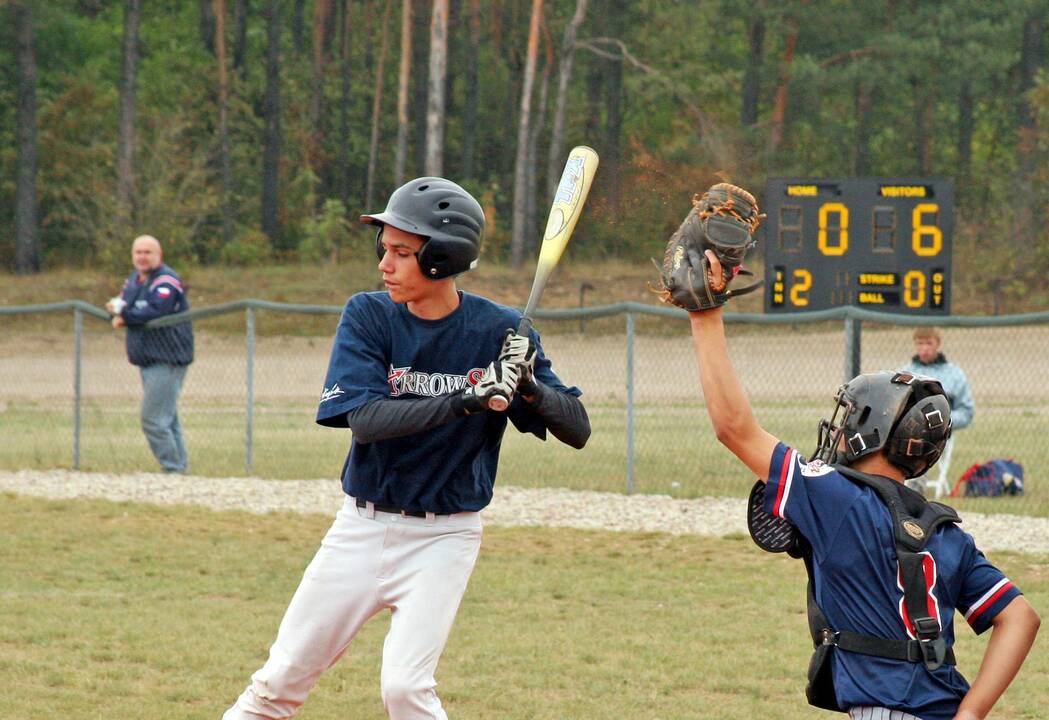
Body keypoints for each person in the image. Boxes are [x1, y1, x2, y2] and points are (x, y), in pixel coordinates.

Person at [658, 183, 1039, 720]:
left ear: (871, 431)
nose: (837, 437)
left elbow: (733, 428)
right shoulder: (946, 534)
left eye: (848, 422)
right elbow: (1020, 617)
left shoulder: (836, 497)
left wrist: (705, 316)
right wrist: (970, 715)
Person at [223, 177, 590, 720]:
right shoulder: (369, 315)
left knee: (405, 689)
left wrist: (528, 385)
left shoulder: (502, 331)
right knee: (278, 681)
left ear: (442, 260)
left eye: (401, 252)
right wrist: (468, 397)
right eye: (384, 249)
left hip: (445, 536)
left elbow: (577, 428)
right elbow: (367, 420)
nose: (384, 265)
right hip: (361, 529)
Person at [105, 234, 193, 474]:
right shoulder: (134, 280)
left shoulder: (166, 280)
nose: (142, 257)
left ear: (159, 255)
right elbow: (122, 305)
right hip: (147, 358)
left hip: (168, 358)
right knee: (167, 419)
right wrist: (115, 312)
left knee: (153, 419)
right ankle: (179, 469)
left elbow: (156, 310)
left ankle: (173, 469)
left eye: (148, 252)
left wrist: (125, 317)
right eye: (138, 252)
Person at [900, 327, 975, 497]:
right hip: (907, 429)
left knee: (919, 441)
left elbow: (967, 411)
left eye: (929, 343)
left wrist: (942, 421)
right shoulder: (905, 373)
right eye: (920, 344)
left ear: (938, 344)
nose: (924, 348)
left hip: (938, 432)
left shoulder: (954, 375)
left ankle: (913, 492)